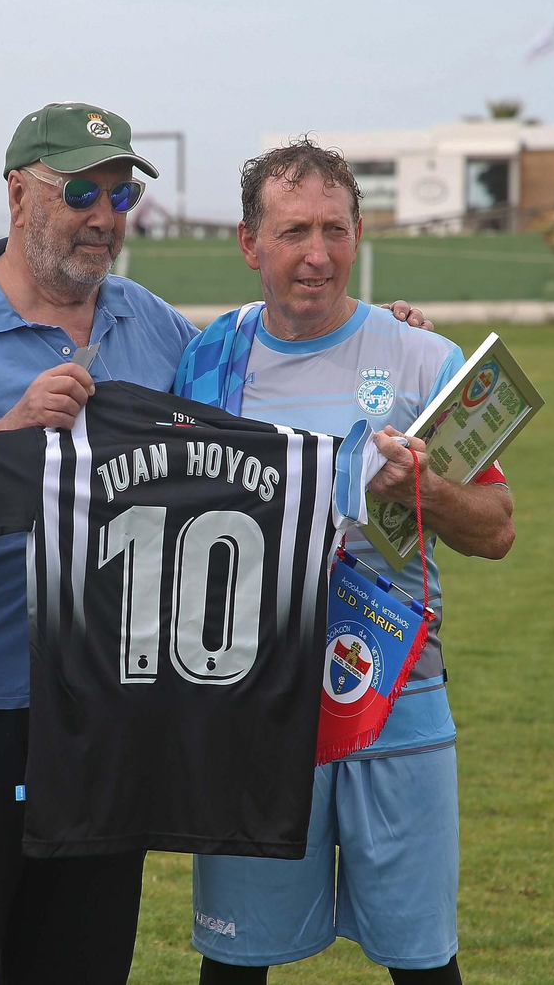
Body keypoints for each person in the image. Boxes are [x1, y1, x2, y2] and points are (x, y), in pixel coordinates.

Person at [0, 103, 433, 985]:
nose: (103, 215)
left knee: (79, 966)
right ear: (18, 195)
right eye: (80, 191)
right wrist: (13, 435)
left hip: (105, 709)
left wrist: (386, 337)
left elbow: (255, 419)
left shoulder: (157, 332)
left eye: (121, 195)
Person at [175, 140, 516, 985]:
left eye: (335, 229)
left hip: (396, 701)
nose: (316, 255)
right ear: (251, 244)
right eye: (293, 232)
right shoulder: (207, 362)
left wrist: (422, 488)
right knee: (235, 964)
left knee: (424, 965)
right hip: (254, 711)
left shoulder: (423, 361)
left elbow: (498, 529)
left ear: (360, 232)